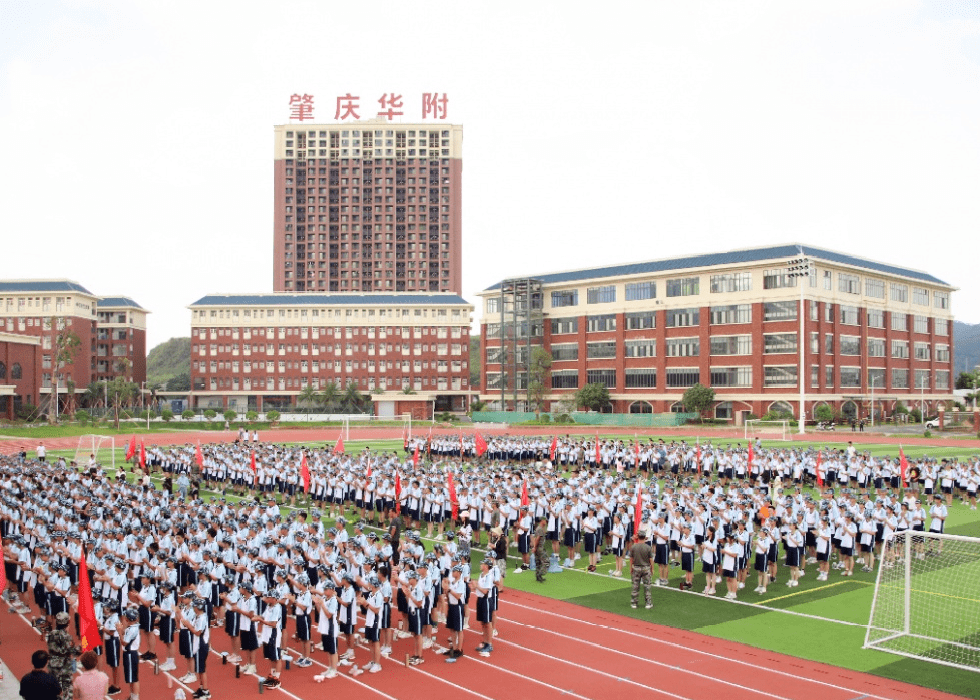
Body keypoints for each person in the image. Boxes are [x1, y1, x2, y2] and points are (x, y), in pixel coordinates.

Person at [45, 611, 78, 700]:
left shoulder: (51, 634)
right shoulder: (67, 637)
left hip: (52, 664)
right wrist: (82, 647)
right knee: (67, 688)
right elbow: (73, 651)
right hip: (64, 666)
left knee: (53, 688)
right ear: (68, 622)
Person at [628, 536, 653, 609]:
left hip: (636, 568)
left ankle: (634, 603)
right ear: (645, 538)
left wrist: (631, 569)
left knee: (635, 586)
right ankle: (648, 603)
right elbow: (651, 559)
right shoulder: (648, 547)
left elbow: (631, 559)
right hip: (646, 568)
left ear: (638, 538)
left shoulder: (633, 547)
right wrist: (652, 569)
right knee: (647, 586)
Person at [533, 517, 548, 582]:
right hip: (540, 548)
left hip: (538, 548)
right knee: (546, 562)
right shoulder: (540, 529)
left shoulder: (539, 528)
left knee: (538, 562)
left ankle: (538, 576)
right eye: (545, 520)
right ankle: (540, 574)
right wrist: (535, 547)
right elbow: (537, 539)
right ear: (542, 521)